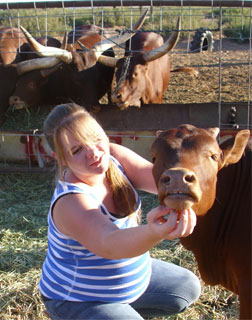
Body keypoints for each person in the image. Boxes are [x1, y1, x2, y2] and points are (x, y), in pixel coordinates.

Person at [40, 103, 201, 320]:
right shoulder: (71, 202)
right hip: (79, 298)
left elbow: (160, 181)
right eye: (77, 150)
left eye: (96, 138)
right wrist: (155, 232)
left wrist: (189, 185)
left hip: (128, 280)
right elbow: (111, 243)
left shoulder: (114, 157)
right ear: (61, 159)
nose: (93, 153)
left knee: (187, 288)